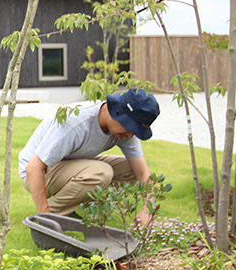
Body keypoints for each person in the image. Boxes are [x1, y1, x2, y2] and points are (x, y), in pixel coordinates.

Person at [18, 88, 161, 226]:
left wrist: (147, 211)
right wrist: (45, 216)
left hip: (69, 167)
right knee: (101, 173)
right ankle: (47, 217)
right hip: (38, 173)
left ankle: (79, 208)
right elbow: (33, 168)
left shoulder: (124, 132)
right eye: (131, 128)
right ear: (117, 112)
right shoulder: (76, 122)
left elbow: (143, 173)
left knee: (131, 169)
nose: (131, 135)